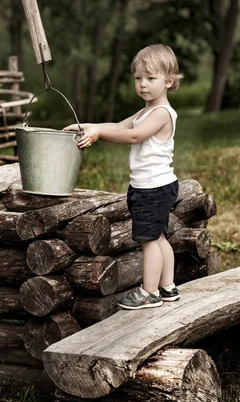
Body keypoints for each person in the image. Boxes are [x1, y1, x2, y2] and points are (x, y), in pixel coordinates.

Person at [64, 44, 183, 310]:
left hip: (153, 189)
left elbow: (133, 136)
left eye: (151, 79)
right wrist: (90, 127)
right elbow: (119, 126)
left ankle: (149, 293)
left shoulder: (162, 113)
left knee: (149, 240)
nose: (143, 84)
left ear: (169, 81)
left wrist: (99, 135)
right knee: (159, 237)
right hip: (153, 187)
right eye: (138, 78)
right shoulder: (144, 112)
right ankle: (168, 286)